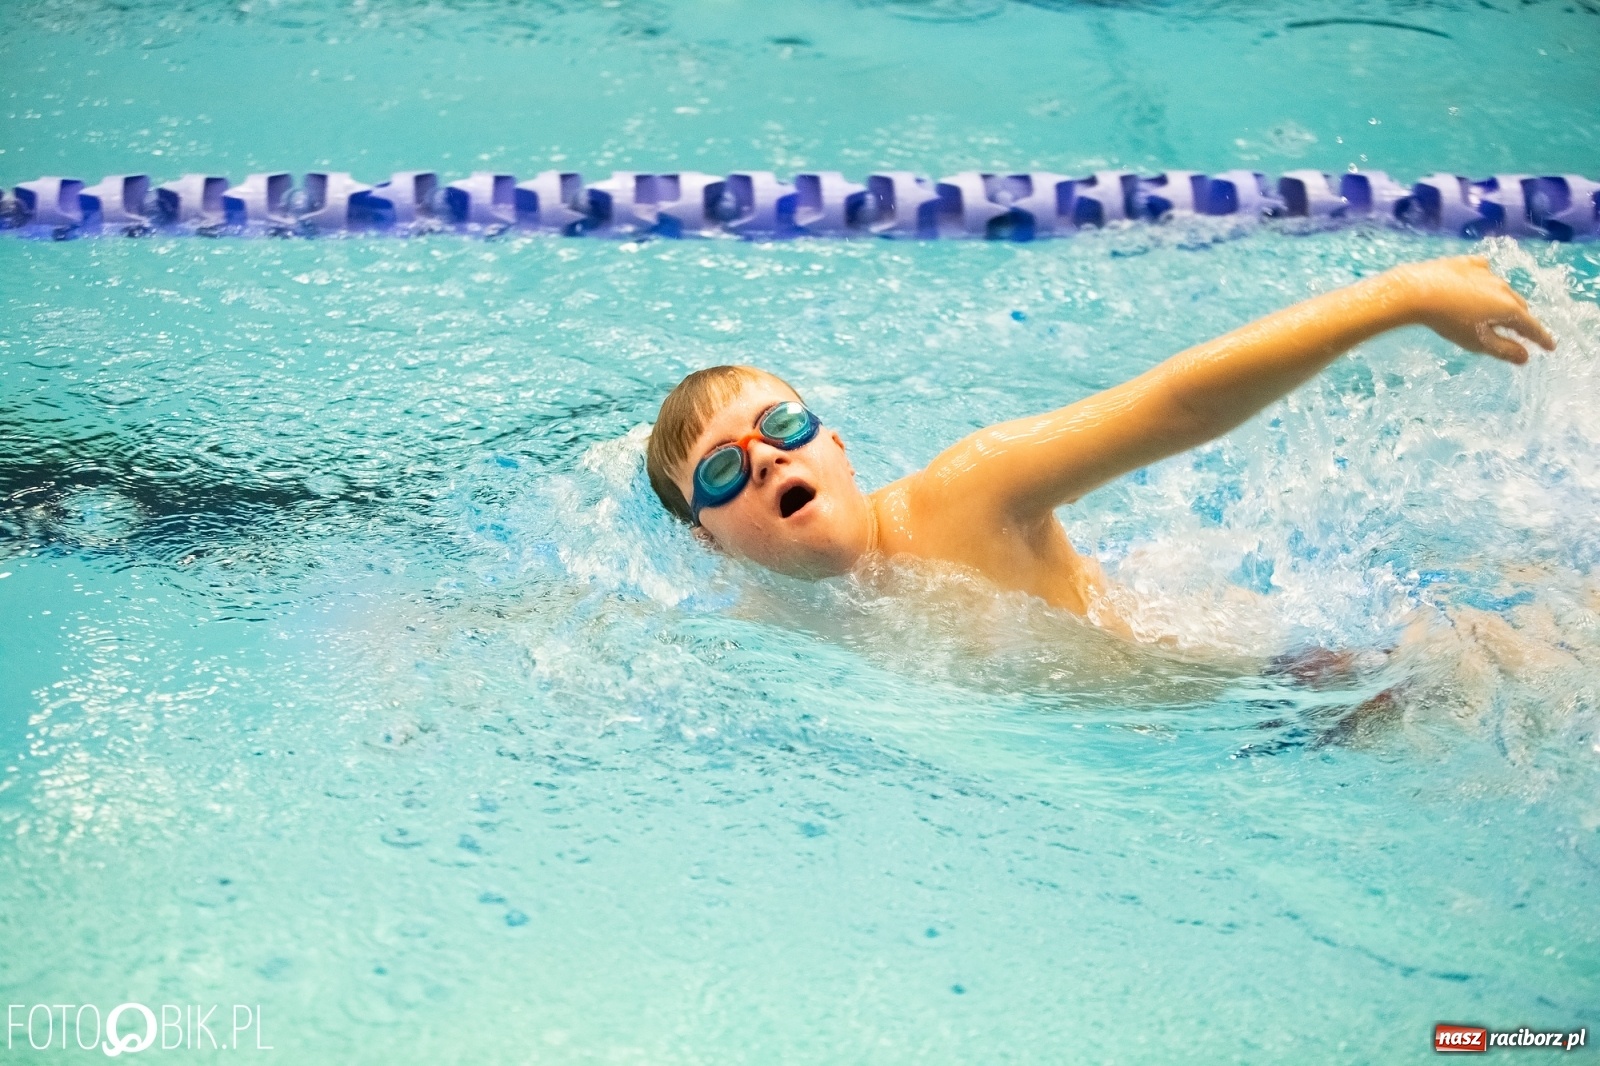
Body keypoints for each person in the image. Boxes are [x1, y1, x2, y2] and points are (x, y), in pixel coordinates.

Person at [645, 255, 1556, 640]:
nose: (764, 458)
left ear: (838, 449)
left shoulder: (968, 493)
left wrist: (1399, 295)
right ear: (708, 541)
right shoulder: (769, 612)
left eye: (784, 427)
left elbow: (1174, 405)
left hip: (1311, 670)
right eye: (723, 469)